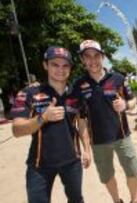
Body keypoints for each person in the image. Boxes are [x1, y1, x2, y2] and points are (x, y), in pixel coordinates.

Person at [11, 46, 91, 203]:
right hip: (39, 165)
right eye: (55, 64)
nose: (60, 69)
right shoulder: (30, 93)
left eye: (65, 65)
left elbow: (82, 124)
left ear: (70, 68)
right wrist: (43, 118)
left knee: (76, 199)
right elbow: (16, 130)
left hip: (72, 161)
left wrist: (87, 150)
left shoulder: (76, 95)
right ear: (45, 65)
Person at [74, 39, 137, 203]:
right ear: (82, 60)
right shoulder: (78, 85)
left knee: (132, 170)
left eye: (96, 55)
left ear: (102, 56)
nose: (93, 60)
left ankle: (135, 199)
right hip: (98, 142)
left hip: (122, 136)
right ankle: (117, 200)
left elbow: (133, 102)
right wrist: (86, 149)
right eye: (87, 56)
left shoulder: (118, 78)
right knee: (107, 176)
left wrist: (125, 104)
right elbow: (81, 120)